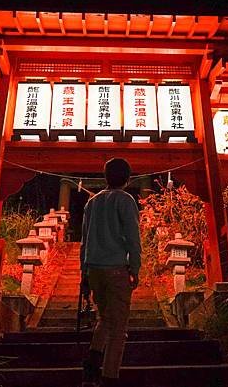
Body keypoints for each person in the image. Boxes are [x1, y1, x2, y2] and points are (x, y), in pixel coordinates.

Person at [80, 158, 142, 387]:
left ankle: (90, 370)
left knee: (104, 319)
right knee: (118, 330)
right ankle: (109, 378)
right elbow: (133, 239)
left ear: (106, 177)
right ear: (127, 178)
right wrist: (135, 268)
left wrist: (83, 273)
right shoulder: (125, 200)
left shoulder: (92, 203)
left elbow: (84, 241)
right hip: (116, 269)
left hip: (94, 269)